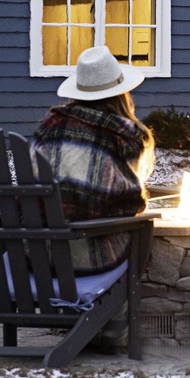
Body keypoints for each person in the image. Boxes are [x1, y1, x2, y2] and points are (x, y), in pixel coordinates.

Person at [31, 45, 156, 274]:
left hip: (36, 255)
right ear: (121, 95)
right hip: (91, 256)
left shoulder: (48, 129)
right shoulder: (124, 135)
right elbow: (129, 204)